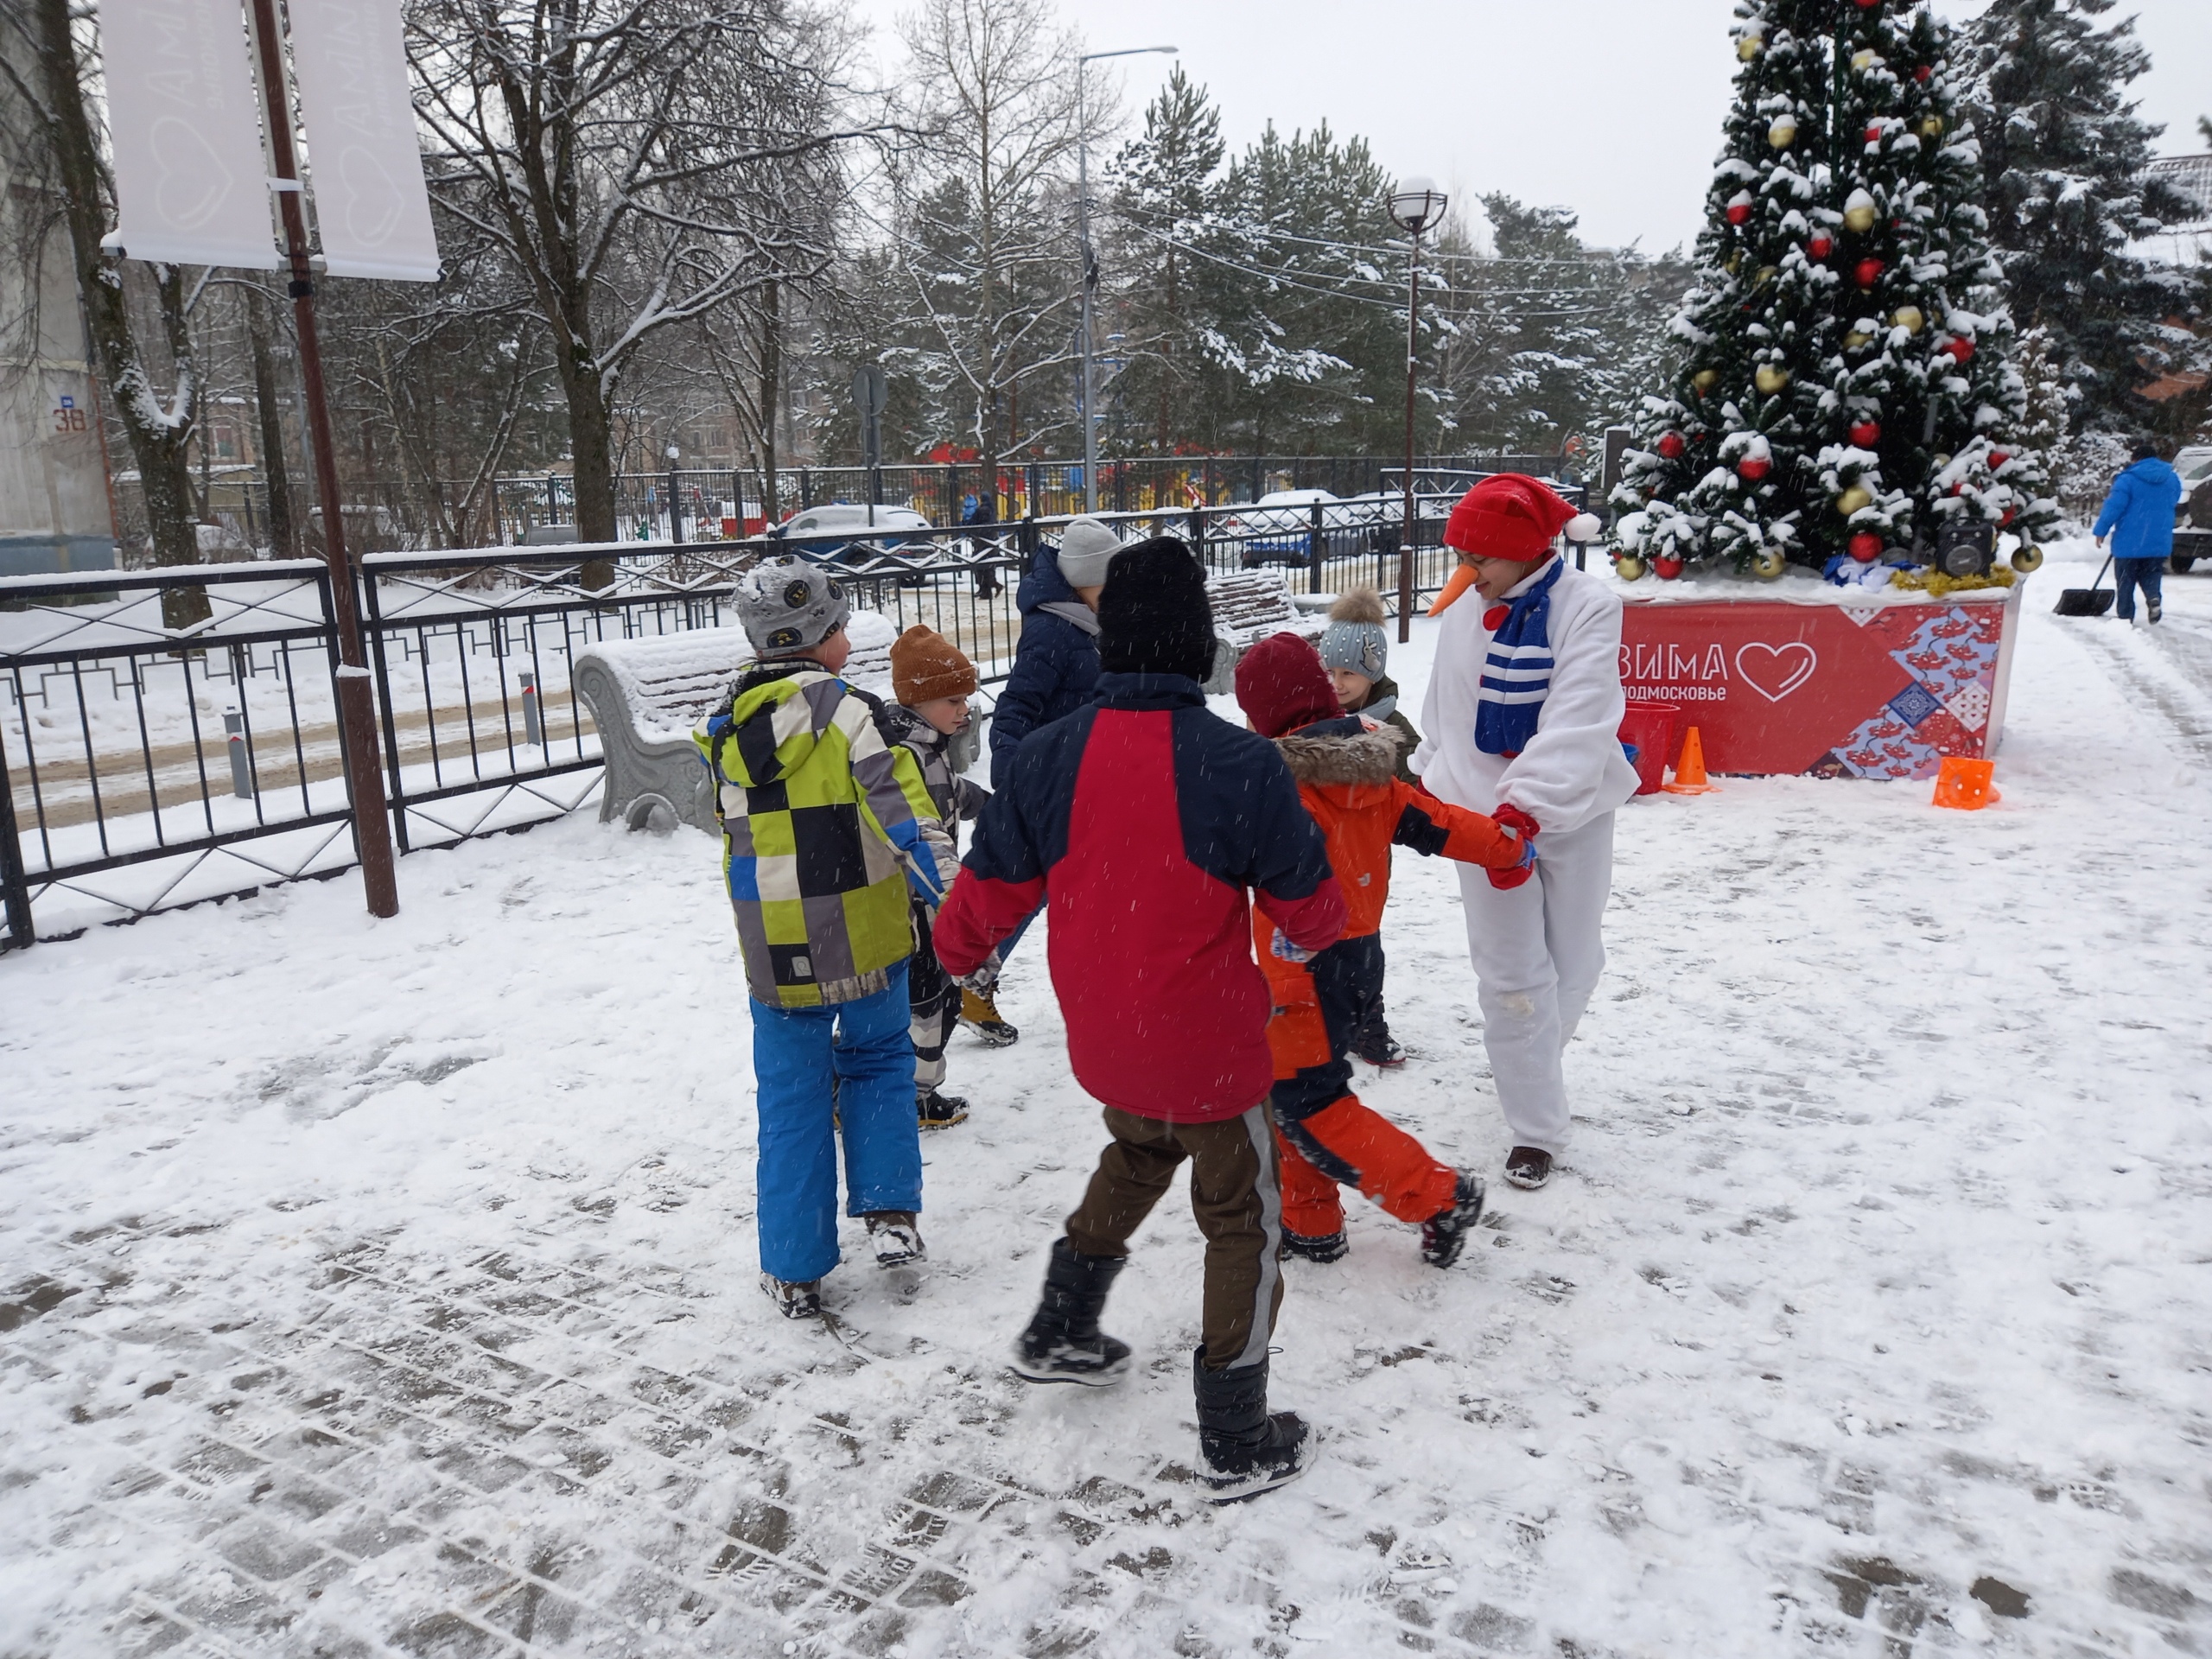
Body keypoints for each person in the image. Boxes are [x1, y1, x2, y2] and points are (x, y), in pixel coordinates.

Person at [934, 539, 1347, 1502]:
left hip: (1108, 1036)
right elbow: (1313, 914)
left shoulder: (1043, 759)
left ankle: (1061, 1323)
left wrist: (945, 962)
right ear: (1197, 644)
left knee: (1141, 1145)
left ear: (1109, 642)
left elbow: (976, 914)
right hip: (1209, 1046)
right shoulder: (1238, 763)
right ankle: (1237, 1431)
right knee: (1244, 1216)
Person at [696, 558, 952, 1319]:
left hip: (774, 943)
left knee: (792, 1096)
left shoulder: (728, 725)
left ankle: (795, 1264)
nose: (847, 640)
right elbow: (901, 814)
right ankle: (890, 1214)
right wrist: (960, 905)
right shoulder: (850, 714)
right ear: (822, 639)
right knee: (878, 1063)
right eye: (840, 628)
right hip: (867, 934)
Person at [1233, 631, 1533, 1266]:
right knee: (1287, 1096)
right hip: (1358, 959)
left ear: (1260, 718)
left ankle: (1438, 1196)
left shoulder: (1275, 793)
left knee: (1308, 1105)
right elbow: (1439, 822)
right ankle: (1311, 1224)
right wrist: (1508, 848)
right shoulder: (1371, 775)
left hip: (1301, 973)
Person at [1413, 476, 1632, 1193]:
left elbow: (1580, 714)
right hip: (1479, 822)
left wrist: (1528, 808)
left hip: (1569, 810)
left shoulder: (1589, 608)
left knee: (1575, 965)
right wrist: (1422, 780)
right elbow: (1444, 713)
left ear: (1526, 550)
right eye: (1461, 555)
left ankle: (1531, 1057)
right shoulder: (1465, 612)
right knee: (1513, 980)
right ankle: (1535, 1129)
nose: (1466, 573)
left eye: (1480, 557)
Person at [959, 516, 1122, 1046]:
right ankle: (970, 980)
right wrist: (1013, 783)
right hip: (1051, 787)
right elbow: (1015, 708)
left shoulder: (1092, 625)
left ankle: (977, 979)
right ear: (1082, 581)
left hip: (1087, 783)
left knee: (1068, 891)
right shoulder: (1053, 631)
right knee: (1043, 892)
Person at [883, 625, 991, 1130]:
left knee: (933, 998)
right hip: (916, 906)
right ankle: (915, 1096)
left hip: (930, 903)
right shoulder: (906, 754)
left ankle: (892, 1087)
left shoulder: (928, 748)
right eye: (953, 700)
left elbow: (947, 791)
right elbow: (917, 822)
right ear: (919, 702)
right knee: (930, 1004)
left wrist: (981, 804)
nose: (964, 710)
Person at [1316, 585, 1421, 1066]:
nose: (1336, 683)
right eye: (1329, 671)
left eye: (1349, 673)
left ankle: (1366, 1023)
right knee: (1315, 941)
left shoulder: (1392, 725)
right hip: (1317, 852)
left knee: (1361, 945)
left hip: (1365, 860)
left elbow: (1414, 786)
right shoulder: (1315, 717)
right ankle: (1318, 1017)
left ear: (1373, 670)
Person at [2094, 439, 2185, 625]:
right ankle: (2153, 598)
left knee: (2125, 581)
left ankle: (2125, 617)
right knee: (2151, 573)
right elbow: (2174, 499)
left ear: (2136, 459)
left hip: (2129, 540)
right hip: (2159, 537)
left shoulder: (2127, 479)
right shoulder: (2171, 478)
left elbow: (2114, 507)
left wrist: (2101, 530)